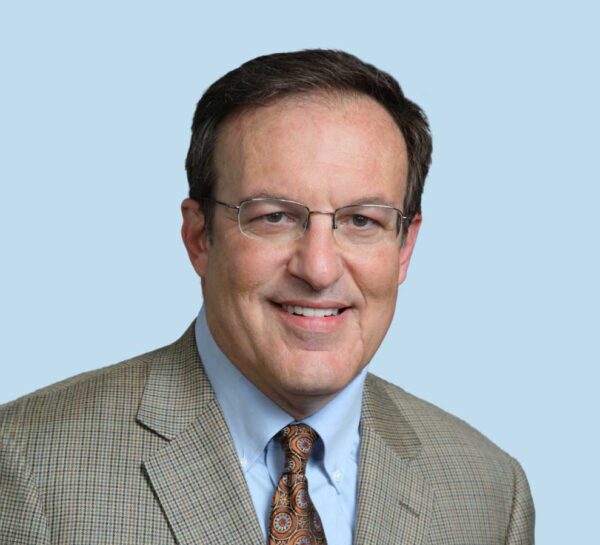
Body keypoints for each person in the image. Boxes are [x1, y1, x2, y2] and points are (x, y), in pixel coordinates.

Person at [0, 49, 534, 545]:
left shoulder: (489, 492)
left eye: (361, 221)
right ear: (200, 237)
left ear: (405, 247)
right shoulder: (29, 466)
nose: (319, 268)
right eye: (274, 217)